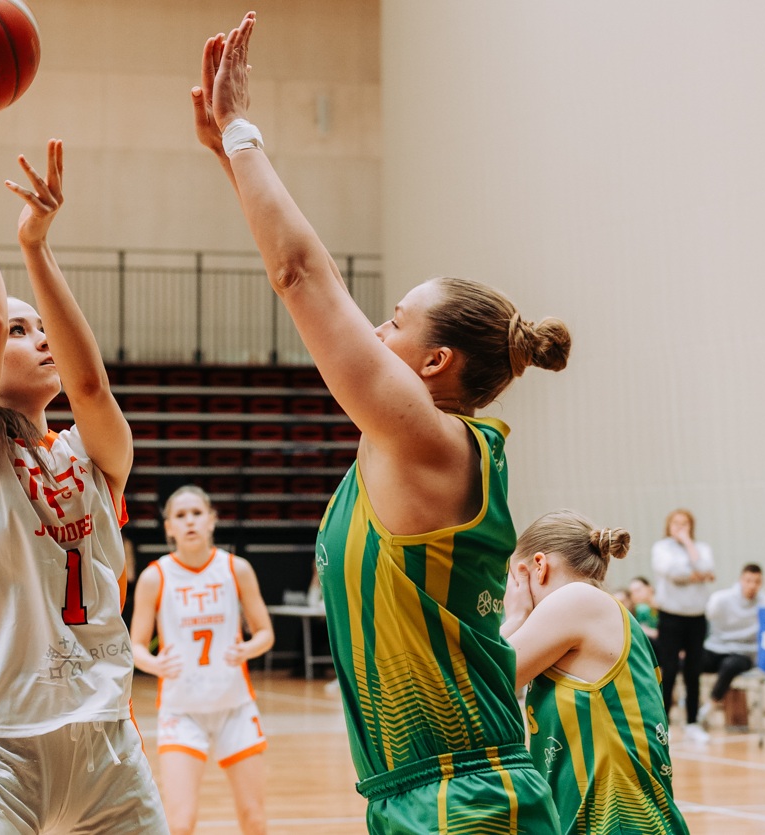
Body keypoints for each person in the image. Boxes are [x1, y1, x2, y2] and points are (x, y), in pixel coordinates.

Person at [193, 14, 568, 831]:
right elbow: (301, 271)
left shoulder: (430, 442)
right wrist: (230, 156)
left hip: (465, 793)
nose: (371, 329)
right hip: (418, 792)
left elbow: (300, 274)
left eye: (394, 320)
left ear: (434, 362)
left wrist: (241, 133)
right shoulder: (409, 446)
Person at [0, 67, 166, 834]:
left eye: (38, 325)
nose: (37, 336)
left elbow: (89, 381)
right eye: (22, 332)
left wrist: (36, 248)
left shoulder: (92, 453)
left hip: (107, 750)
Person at [502, 511, 690, 835]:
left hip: (619, 823)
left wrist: (516, 617)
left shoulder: (576, 600)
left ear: (537, 566)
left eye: (512, 580)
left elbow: (478, 683)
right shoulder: (598, 609)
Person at [129, 485, 275, 835]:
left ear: (212, 520)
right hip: (181, 711)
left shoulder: (236, 569)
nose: (190, 521)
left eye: (197, 513)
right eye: (180, 516)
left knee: (254, 818)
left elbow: (266, 633)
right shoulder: (155, 576)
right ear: (169, 527)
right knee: (180, 824)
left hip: (235, 707)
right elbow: (134, 647)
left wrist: (248, 648)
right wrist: (154, 663)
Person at [651, 509, 715, 742]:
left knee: (693, 671)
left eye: (685, 523)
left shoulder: (701, 548)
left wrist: (688, 544)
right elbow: (672, 572)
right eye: (676, 523)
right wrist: (695, 575)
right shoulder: (661, 548)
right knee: (668, 669)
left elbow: (706, 567)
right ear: (668, 526)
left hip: (696, 617)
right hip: (671, 616)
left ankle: (692, 722)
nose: (680, 527)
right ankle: (664, 723)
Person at [698, 563, 765, 729]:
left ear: (761, 583)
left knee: (730, 666)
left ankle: (709, 707)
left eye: (756, 582)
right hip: (716, 647)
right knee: (690, 663)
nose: (752, 585)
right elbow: (704, 615)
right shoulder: (721, 599)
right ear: (740, 580)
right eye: (748, 580)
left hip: (744, 653)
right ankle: (688, 709)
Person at [627, 576, 660, 641]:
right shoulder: (640, 610)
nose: (635, 595)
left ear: (650, 588)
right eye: (632, 593)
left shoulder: (665, 606)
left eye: (638, 590)